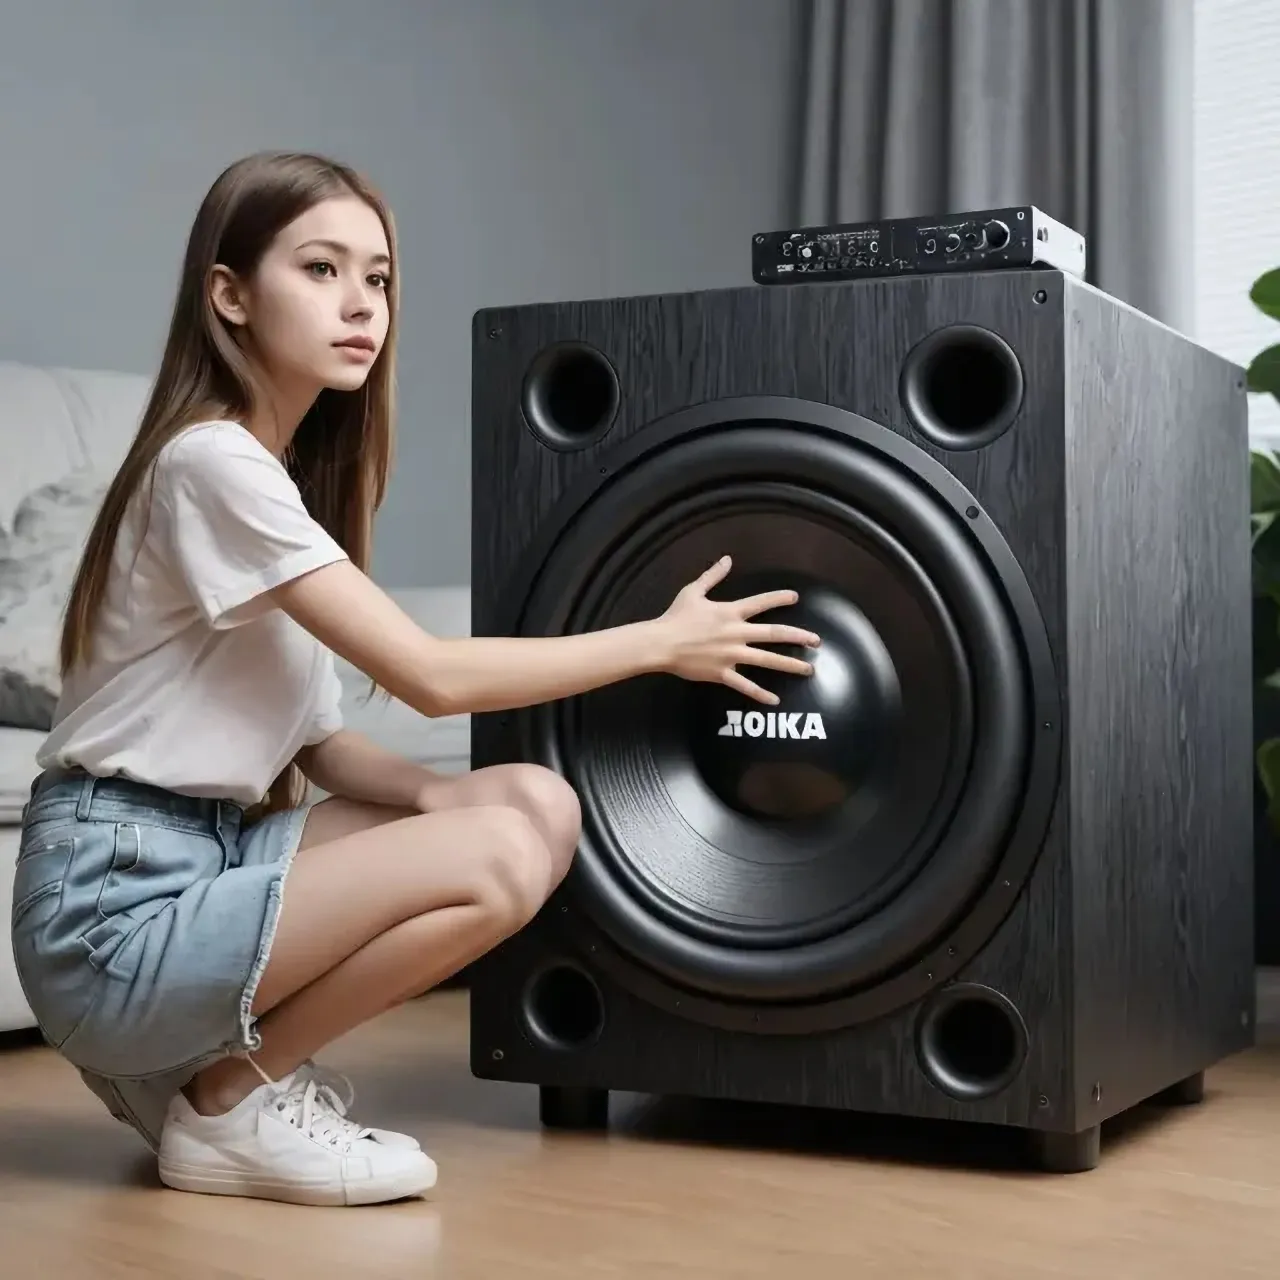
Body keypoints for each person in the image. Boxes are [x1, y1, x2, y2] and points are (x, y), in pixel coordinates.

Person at [9, 151, 820, 1208]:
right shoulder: (210, 463)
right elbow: (431, 675)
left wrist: (439, 796)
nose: (360, 303)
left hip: (193, 863)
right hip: (108, 908)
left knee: (526, 800)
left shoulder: (279, 484)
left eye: (379, 278)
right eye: (320, 269)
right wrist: (659, 641)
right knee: (492, 851)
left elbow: (318, 740)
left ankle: (203, 1085)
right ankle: (229, 1100)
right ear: (230, 296)